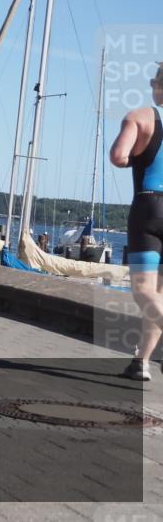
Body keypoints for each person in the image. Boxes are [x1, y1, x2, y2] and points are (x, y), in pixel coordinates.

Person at [110, 62, 163, 381]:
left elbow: (118, 156)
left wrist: (135, 158)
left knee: (144, 290)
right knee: (159, 293)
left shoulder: (140, 117)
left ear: (157, 85)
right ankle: (141, 362)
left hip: (149, 205)